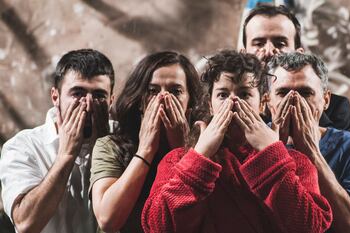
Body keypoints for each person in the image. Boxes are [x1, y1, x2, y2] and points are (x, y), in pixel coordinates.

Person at [141, 50, 332, 233]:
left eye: (244, 94)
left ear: (263, 103)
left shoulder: (297, 163)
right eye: (223, 94)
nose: (233, 102)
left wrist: (270, 153)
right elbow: (157, 226)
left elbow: (309, 227)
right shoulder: (177, 159)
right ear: (210, 104)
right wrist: (200, 156)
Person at [0, 48, 115, 233]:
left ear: (111, 100)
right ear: (55, 96)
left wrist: (107, 146)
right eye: (77, 93)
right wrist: (66, 154)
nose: (88, 103)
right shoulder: (23, 146)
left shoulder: (124, 138)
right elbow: (26, 224)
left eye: (99, 95)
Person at [90, 51, 204, 233]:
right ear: (140, 102)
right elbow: (108, 220)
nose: (163, 98)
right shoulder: (110, 146)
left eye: (176, 91)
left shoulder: (204, 149)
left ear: (190, 102)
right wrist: (145, 150)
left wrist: (181, 152)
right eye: (152, 91)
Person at [267, 52, 350, 232]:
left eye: (306, 93)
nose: (294, 102)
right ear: (268, 100)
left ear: (325, 100)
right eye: (282, 92)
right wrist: (272, 150)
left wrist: (312, 153)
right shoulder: (250, 142)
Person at [242, 4, 350, 131]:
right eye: (258, 43)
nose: (268, 51)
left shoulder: (336, 109)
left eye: (280, 43)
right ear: (244, 55)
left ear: (299, 53)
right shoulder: (228, 103)